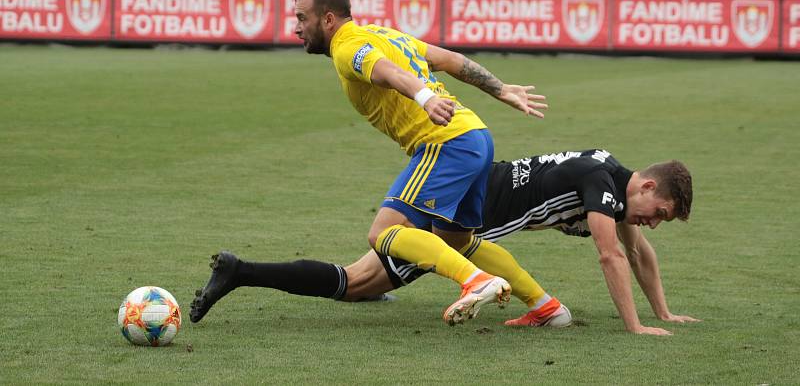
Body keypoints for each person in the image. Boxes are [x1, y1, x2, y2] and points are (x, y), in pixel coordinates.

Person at [193, 0, 551, 327]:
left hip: (445, 141)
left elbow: (388, 72)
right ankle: (544, 306)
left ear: (328, 19)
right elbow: (451, 59)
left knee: (383, 233)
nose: (296, 27)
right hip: (474, 135)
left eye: (302, 18)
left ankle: (476, 281)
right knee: (457, 239)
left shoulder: (348, 47)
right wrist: (500, 88)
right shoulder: (385, 34)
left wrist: (425, 99)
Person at [190, 149, 698, 335]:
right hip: (468, 216)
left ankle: (244, 272)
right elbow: (611, 254)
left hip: (470, 188)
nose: (653, 224)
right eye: (661, 214)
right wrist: (634, 327)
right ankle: (242, 270)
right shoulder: (605, 190)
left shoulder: (609, 176)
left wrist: (664, 312)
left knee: (360, 281)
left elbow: (636, 251)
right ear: (648, 187)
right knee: (354, 282)